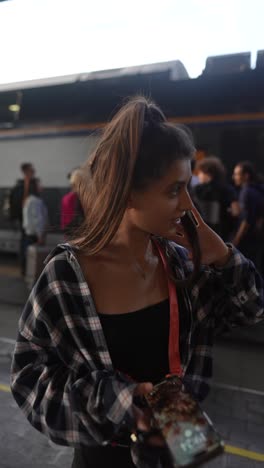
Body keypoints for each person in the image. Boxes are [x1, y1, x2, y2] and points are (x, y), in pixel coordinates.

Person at [10, 97, 264, 468]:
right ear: (128, 191)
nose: (187, 207)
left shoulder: (179, 263)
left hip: (181, 439)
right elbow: (28, 380)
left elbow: (252, 308)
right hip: (106, 457)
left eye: (188, 188)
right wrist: (124, 402)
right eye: (174, 190)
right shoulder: (66, 275)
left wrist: (222, 256)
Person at [193, 156, 239, 240]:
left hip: (201, 234)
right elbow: (236, 211)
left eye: (200, 172)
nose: (198, 176)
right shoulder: (228, 189)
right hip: (223, 234)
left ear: (208, 173)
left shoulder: (197, 189)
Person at [232, 160, 264, 273]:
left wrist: (236, 240)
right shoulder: (259, 188)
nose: (234, 177)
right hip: (258, 238)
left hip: (248, 239)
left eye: (236, 174)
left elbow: (247, 220)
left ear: (246, 176)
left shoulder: (246, 192)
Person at [8, 163, 36, 275]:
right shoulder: (20, 187)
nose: (33, 172)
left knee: (27, 243)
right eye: (31, 170)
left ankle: (26, 268)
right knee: (27, 242)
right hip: (25, 221)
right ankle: (25, 268)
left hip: (29, 220)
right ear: (26, 171)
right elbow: (13, 203)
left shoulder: (31, 185)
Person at [22, 177, 49, 272]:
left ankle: (28, 278)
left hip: (28, 234)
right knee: (34, 263)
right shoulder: (36, 201)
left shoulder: (28, 199)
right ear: (34, 187)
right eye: (39, 184)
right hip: (34, 236)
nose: (41, 186)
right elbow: (38, 220)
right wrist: (40, 236)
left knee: (28, 260)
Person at [60, 168, 83, 235]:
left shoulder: (66, 198)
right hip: (75, 228)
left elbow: (63, 216)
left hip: (70, 228)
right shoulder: (74, 197)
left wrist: (63, 227)